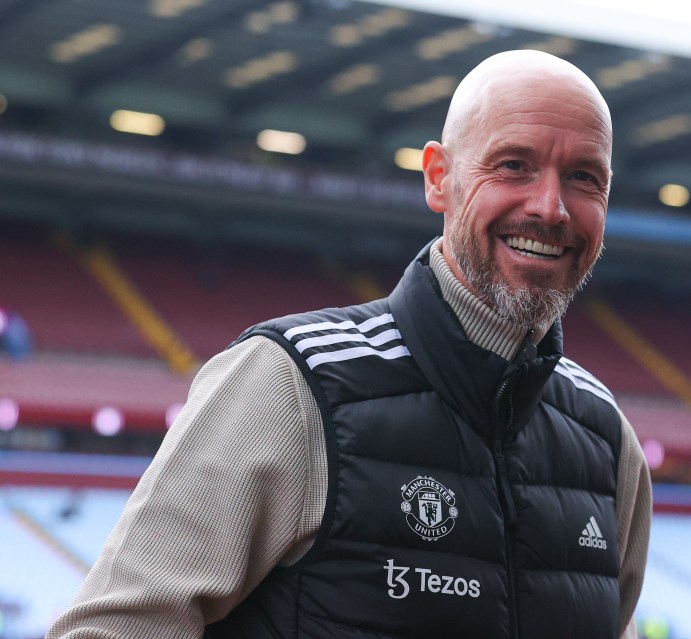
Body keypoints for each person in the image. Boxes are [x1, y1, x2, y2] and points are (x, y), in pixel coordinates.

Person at [47, 49, 652, 639]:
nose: (550, 208)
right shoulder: (289, 384)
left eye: (583, 178)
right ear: (439, 178)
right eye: (514, 165)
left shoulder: (607, 438)